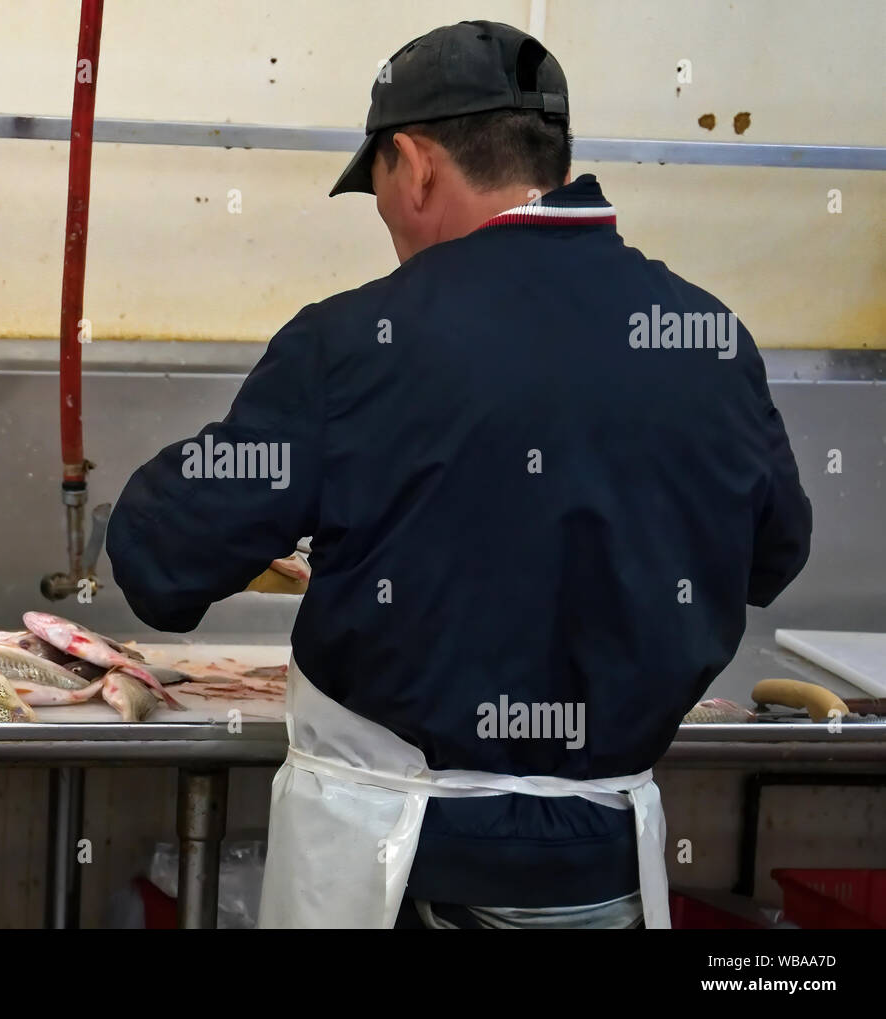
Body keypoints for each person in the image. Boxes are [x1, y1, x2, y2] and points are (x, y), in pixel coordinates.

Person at [105, 20, 811, 929]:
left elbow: (161, 562)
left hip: (397, 877)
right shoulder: (708, 338)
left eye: (381, 188)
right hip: (607, 880)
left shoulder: (353, 344)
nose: (387, 217)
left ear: (418, 163)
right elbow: (773, 557)